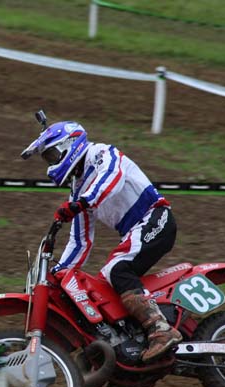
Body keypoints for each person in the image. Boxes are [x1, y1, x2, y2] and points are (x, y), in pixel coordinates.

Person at [20, 119, 182, 363]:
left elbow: (112, 179)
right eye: (48, 158)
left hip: (155, 217)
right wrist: (57, 274)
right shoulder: (79, 190)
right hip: (135, 230)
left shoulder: (102, 154)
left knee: (118, 268)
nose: (51, 164)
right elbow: (80, 241)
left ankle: (160, 328)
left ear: (70, 144)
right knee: (103, 283)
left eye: (52, 155)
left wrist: (83, 202)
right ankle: (129, 341)